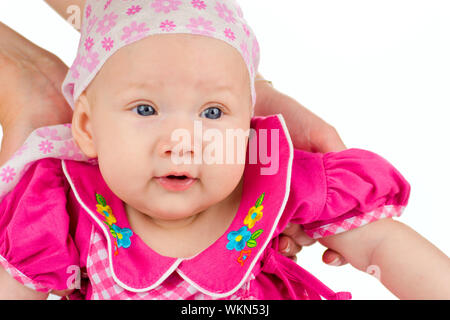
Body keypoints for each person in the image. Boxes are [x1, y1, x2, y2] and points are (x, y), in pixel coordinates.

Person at [0, 0, 448, 300]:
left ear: (248, 125)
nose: (182, 141)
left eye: (213, 114)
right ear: (86, 126)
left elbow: (383, 247)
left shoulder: (276, 178)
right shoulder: (64, 205)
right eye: (145, 108)